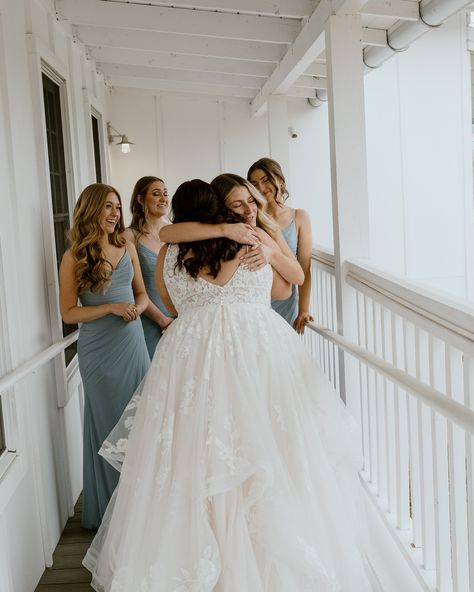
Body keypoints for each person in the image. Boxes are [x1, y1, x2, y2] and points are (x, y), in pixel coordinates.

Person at [83, 180, 372, 591]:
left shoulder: (172, 250)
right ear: (220, 210)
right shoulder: (247, 239)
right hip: (257, 354)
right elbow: (291, 279)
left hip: (190, 357)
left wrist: (264, 248)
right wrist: (256, 243)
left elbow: (165, 294)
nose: (247, 208)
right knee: (268, 449)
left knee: (193, 452)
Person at [59, 183, 150, 530]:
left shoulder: (126, 247)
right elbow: (68, 313)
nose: (114, 214)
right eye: (107, 207)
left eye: (117, 207)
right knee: (107, 423)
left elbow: (141, 294)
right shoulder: (73, 256)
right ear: (91, 210)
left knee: (139, 422)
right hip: (98, 351)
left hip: (132, 342)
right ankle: (113, 514)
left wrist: (136, 310)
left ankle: (139, 508)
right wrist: (110, 307)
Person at [159, 172, 305, 290]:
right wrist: (226, 230)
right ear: (222, 208)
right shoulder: (221, 238)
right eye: (237, 205)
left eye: (251, 200)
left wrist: (271, 254)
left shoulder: (267, 227)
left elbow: (298, 277)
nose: (249, 210)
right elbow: (165, 233)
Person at [248, 157, 313, 333]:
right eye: (255, 184)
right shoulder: (252, 217)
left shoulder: (299, 217)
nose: (261, 188)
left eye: (266, 180)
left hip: (287, 300)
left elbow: (305, 268)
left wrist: (304, 310)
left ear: (280, 180)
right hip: (256, 298)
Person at [123, 176, 174, 358]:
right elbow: (130, 286)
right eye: (156, 194)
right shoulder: (129, 236)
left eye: (165, 194)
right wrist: (162, 320)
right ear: (140, 199)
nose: (163, 199)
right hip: (150, 321)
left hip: (181, 320)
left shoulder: (175, 232)